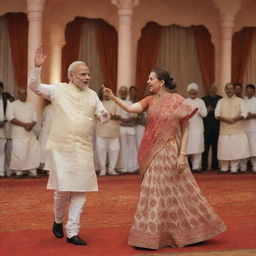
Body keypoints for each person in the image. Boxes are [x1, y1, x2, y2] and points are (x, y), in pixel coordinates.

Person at [104, 67, 226, 249]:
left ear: (161, 82)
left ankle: (187, 231)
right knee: (152, 190)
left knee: (175, 192)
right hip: (151, 152)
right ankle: (150, 234)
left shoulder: (178, 100)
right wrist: (113, 98)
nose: (147, 81)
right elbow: (131, 108)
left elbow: (186, 129)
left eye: (151, 78)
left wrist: (182, 155)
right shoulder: (149, 100)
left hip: (170, 151)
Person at [28, 46, 109, 246]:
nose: (87, 77)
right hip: (61, 147)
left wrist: (104, 116)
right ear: (71, 76)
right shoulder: (58, 90)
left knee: (81, 190)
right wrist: (37, 68)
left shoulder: (92, 95)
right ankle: (58, 220)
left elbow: (102, 113)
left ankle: (72, 232)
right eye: (82, 74)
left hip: (83, 149)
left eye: (88, 74)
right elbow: (35, 87)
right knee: (62, 190)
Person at [215, 83, 249, 173]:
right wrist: (226, 119)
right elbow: (216, 114)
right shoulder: (220, 101)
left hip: (237, 130)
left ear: (234, 90)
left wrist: (234, 119)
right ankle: (224, 168)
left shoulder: (241, 101)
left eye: (231, 88)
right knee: (224, 150)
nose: (229, 90)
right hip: (224, 130)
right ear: (225, 90)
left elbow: (244, 114)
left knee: (235, 150)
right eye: (227, 89)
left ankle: (234, 168)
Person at [6, 88, 40, 178]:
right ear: (18, 94)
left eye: (25, 94)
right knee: (19, 152)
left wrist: (30, 125)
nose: (24, 96)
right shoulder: (12, 105)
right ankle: (19, 172)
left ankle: (33, 171)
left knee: (32, 152)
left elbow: (35, 118)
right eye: (22, 94)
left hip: (30, 133)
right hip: (18, 133)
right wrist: (24, 125)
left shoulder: (30, 105)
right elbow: (10, 118)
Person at [96, 88, 120, 176]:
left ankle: (112, 169)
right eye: (103, 93)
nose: (105, 95)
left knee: (114, 151)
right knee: (101, 151)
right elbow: (95, 116)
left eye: (107, 93)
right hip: (101, 131)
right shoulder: (98, 104)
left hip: (113, 131)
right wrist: (103, 116)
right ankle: (103, 170)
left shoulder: (116, 103)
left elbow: (119, 116)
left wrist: (109, 115)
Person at [185, 83, 207, 173]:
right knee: (187, 150)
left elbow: (205, 114)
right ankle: (186, 168)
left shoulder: (201, 102)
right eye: (191, 91)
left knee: (198, 149)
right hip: (187, 129)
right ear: (189, 92)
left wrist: (197, 109)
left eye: (195, 91)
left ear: (197, 92)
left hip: (198, 130)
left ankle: (196, 167)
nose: (193, 92)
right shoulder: (185, 101)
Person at [118, 86, 139, 173]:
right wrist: (122, 120)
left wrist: (126, 120)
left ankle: (132, 168)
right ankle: (123, 168)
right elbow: (115, 115)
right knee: (122, 148)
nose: (123, 93)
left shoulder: (130, 103)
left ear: (127, 93)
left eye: (125, 92)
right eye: (121, 92)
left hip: (130, 128)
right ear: (119, 93)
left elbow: (135, 116)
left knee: (131, 148)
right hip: (121, 127)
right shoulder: (117, 102)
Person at [202, 84, 222, 171]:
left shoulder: (220, 99)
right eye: (212, 88)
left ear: (217, 89)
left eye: (215, 88)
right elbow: (202, 113)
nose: (213, 90)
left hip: (217, 127)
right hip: (206, 128)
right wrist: (207, 110)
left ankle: (214, 166)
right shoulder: (203, 99)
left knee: (215, 148)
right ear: (209, 89)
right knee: (205, 148)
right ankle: (204, 166)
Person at [240, 84, 256, 173]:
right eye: (247, 90)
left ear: (254, 91)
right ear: (245, 91)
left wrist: (252, 115)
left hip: (254, 129)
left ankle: (255, 167)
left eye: (251, 90)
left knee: (254, 149)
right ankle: (243, 167)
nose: (249, 92)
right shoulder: (242, 101)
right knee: (244, 148)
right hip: (243, 129)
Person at [38, 100, 53, 174]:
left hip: (56, 133)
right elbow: (43, 120)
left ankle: (52, 169)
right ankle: (46, 168)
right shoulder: (47, 108)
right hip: (46, 133)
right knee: (45, 150)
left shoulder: (62, 108)